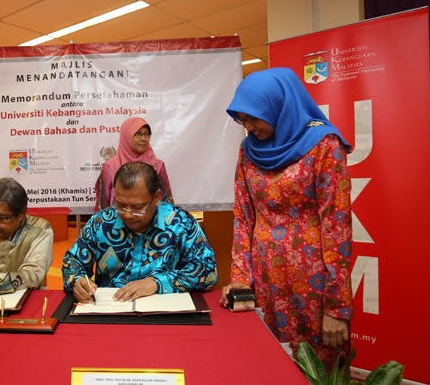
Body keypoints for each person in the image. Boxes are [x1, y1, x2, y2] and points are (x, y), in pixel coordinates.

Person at [221, 67, 353, 367]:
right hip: (264, 279)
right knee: (267, 364)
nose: (249, 127)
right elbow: (243, 218)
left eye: (254, 118)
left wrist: (337, 307)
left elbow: (337, 228)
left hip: (313, 282)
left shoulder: (324, 145)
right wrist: (240, 279)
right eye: (243, 120)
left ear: (278, 106)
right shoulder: (248, 150)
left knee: (318, 367)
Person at [65, 161, 216, 303]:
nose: (128, 215)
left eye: (137, 208)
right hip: (111, 309)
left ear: (156, 198)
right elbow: (72, 262)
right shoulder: (101, 222)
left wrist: (157, 282)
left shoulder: (181, 223)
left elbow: (207, 270)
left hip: (164, 311)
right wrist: (77, 280)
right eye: (121, 205)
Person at [94, 117, 173, 211]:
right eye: (138, 134)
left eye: (147, 134)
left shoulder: (158, 166)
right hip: (118, 219)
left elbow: (167, 203)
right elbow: (103, 206)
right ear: (126, 136)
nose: (144, 139)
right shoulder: (110, 167)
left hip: (151, 219)